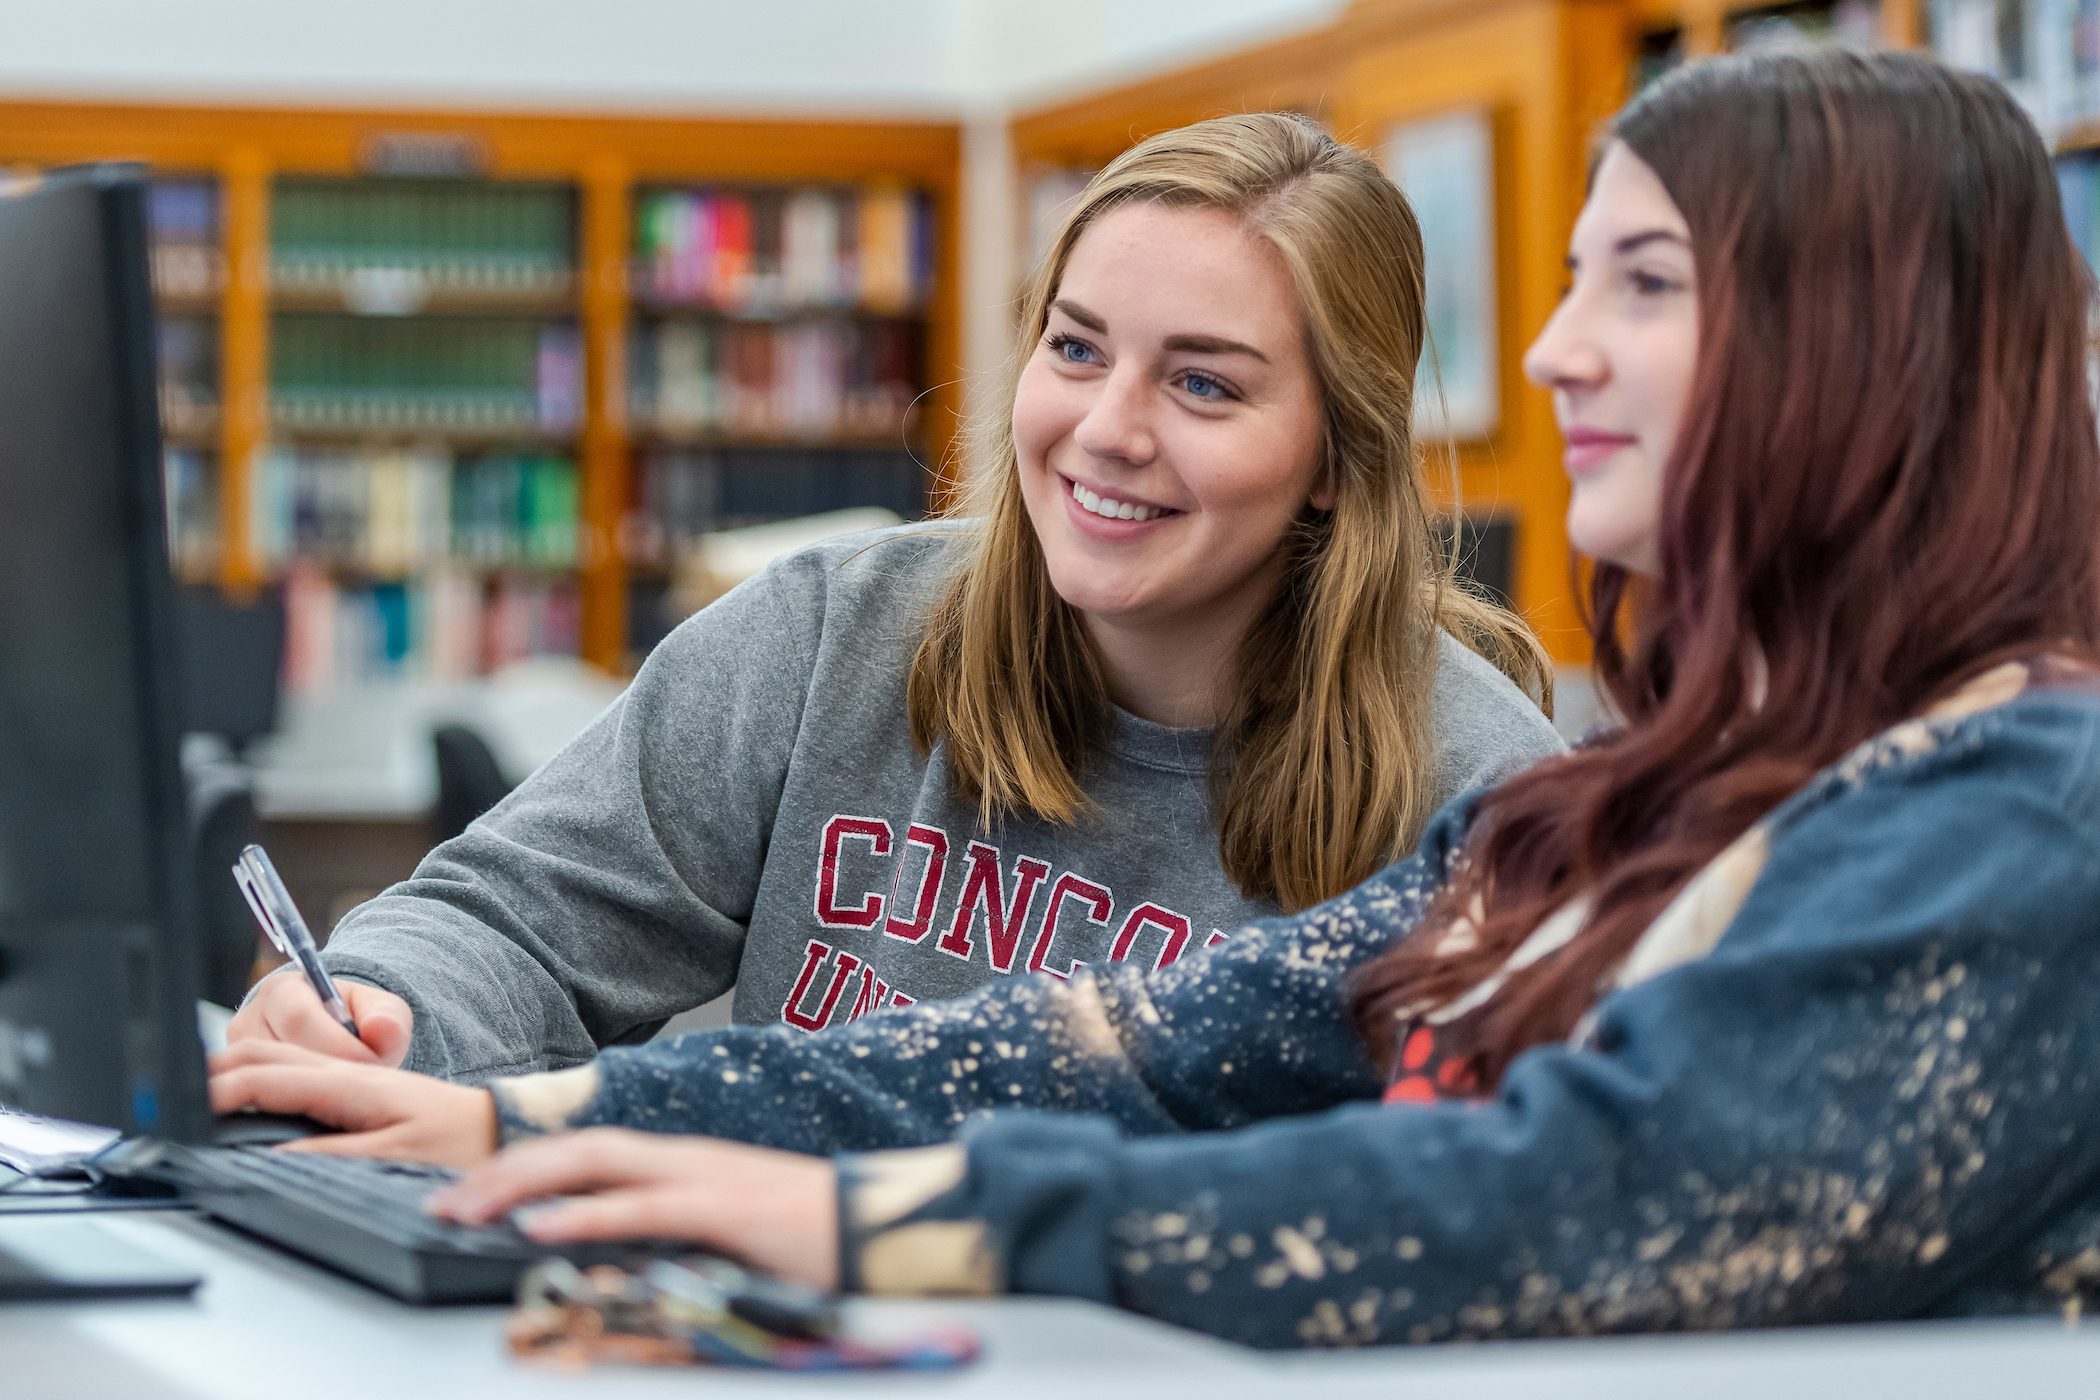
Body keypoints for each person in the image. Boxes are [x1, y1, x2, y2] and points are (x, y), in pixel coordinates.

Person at [216, 47, 2100, 1349]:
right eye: (1077, 349)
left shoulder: (2030, 816)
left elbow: (1547, 1202)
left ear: (1865, 353)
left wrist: (862, 1220)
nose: (1551, 347)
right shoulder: (1666, 801)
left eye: (1646, 281)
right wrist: (543, 1118)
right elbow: (1143, 1047)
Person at [227, 113, 1560, 1079]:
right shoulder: (828, 634)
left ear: (1336, 459)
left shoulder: (1488, 797)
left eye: (1204, 382)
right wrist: (380, 1001)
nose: (1108, 427)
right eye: (1077, 348)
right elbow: (514, 917)